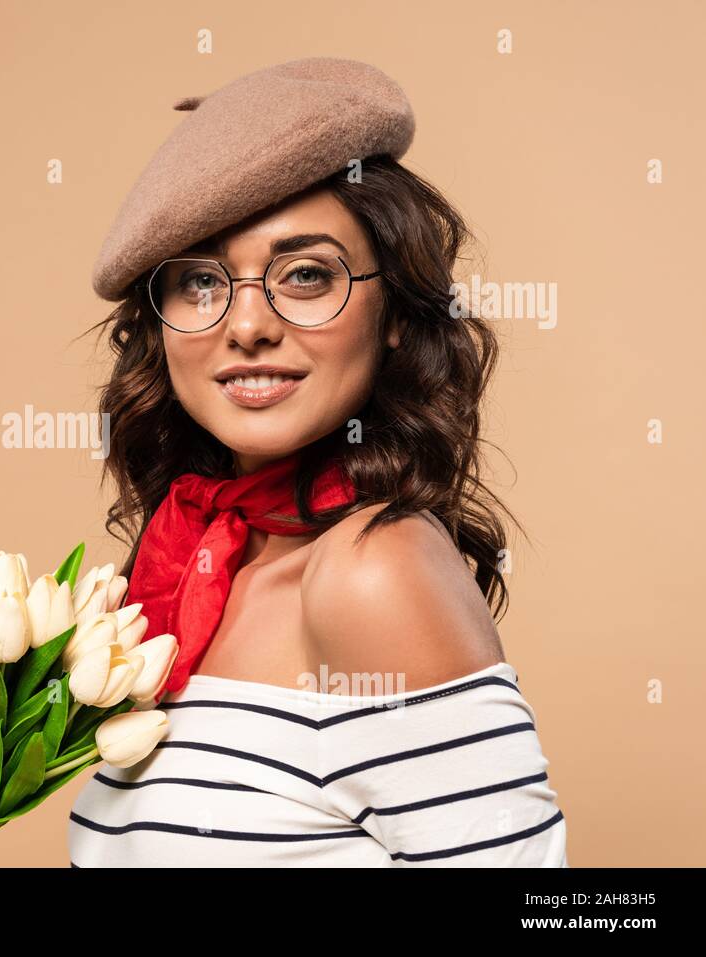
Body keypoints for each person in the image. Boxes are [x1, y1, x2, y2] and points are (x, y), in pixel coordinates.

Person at [66, 57, 568, 867]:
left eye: (305, 274)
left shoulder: (373, 573)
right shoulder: (190, 567)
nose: (248, 325)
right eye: (200, 281)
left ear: (398, 312)